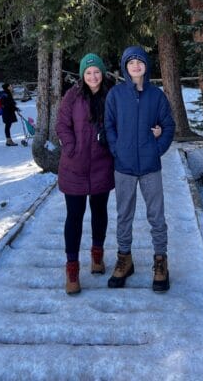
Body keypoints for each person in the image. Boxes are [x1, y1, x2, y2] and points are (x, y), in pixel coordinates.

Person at [104, 46, 175, 292]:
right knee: (124, 214)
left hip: (150, 166)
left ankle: (160, 261)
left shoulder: (157, 96)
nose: (135, 65)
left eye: (139, 61)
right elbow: (109, 125)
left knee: (156, 216)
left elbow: (168, 126)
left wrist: (157, 148)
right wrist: (116, 149)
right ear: (125, 67)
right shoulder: (115, 95)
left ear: (146, 65)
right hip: (123, 167)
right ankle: (125, 259)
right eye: (131, 62)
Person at [56, 53, 115, 295]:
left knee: (99, 212)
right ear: (82, 75)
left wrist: (109, 142)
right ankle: (72, 269)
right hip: (74, 167)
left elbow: (118, 123)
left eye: (96, 72)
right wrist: (71, 147)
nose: (93, 76)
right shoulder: (72, 96)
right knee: (75, 217)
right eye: (88, 72)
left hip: (102, 165)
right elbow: (61, 124)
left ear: (102, 73)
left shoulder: (111, 95)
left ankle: (97, 255)